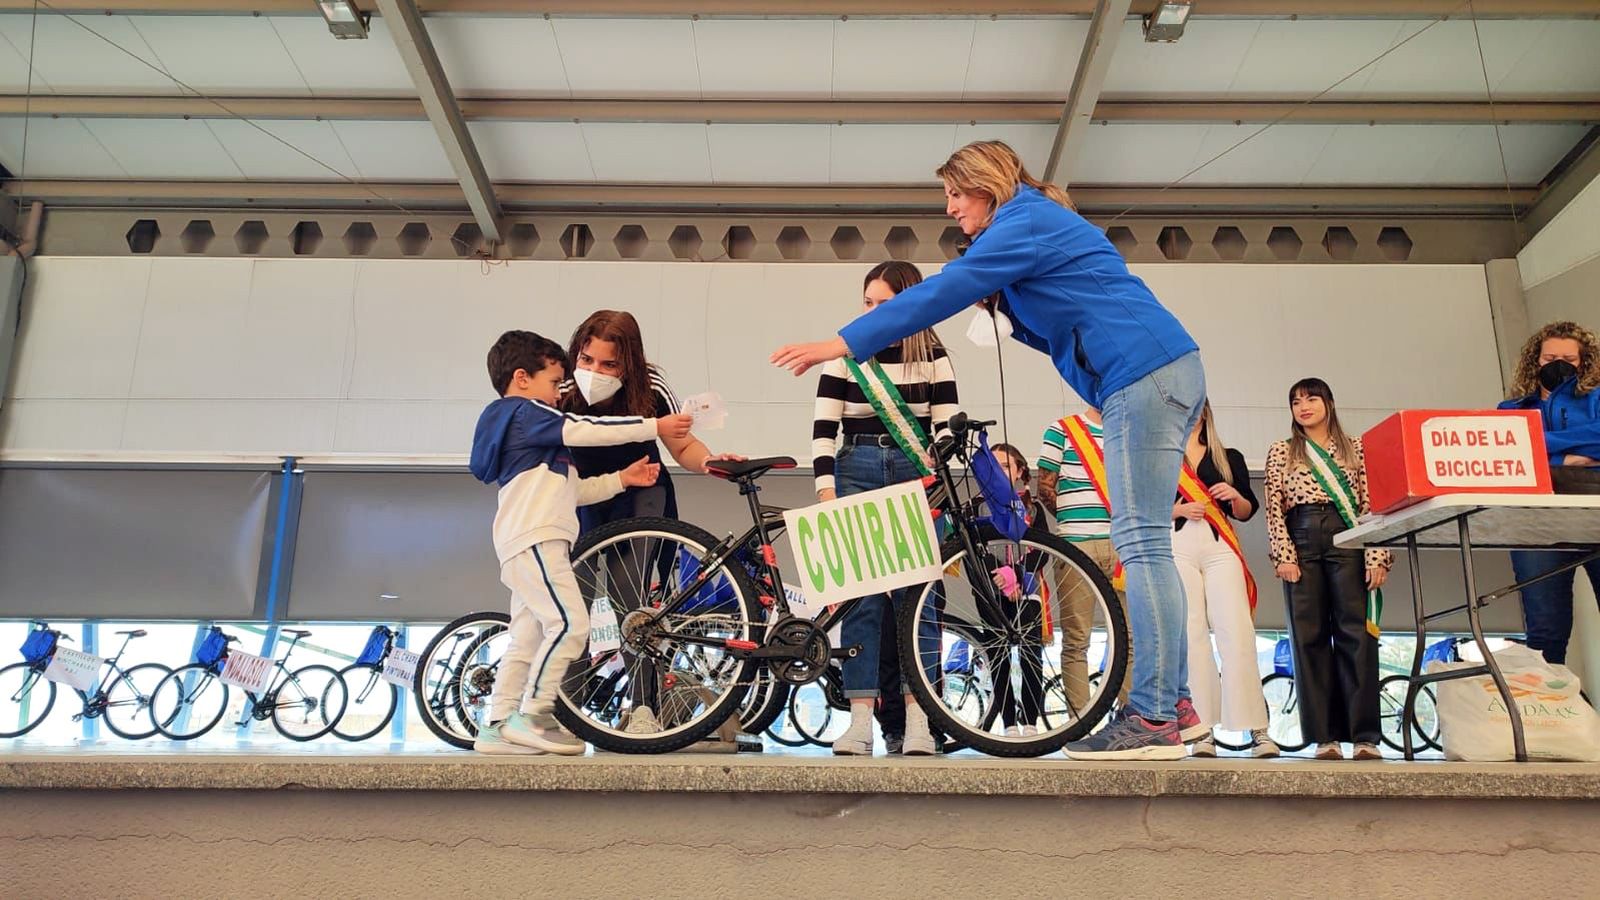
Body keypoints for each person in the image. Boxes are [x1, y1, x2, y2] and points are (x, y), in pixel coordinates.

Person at [772, 140, 1206, 760]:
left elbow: (934, 294)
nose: (950, 209)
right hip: (1157, 371)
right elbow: (1055, 327)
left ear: (984, 185)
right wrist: (1004, 305)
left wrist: (841, 343)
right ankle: (1177, 705)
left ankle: (1156, 718)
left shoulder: (1020, 218)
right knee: (1148, 544)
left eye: (954, 194)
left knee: (1139, 542)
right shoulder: (1034, 224)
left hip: (1141, 375)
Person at [467, 329, 692, 755]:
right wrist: (654, 425)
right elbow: (586, 427)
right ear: (521, 378)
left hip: (526, 542)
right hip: (537, 540)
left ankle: (497, 726)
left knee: (527, 636)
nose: (560, 392)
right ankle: (532, 716)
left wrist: (622, 480)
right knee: (571, 624)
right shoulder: (523, 412)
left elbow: (574, 491)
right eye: (554, 383)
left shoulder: (531, 434)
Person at [562, 310, 741, 736]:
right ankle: (565, 709)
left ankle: (644, 708)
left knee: (634, 604)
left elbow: (682, 442)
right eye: (587, 360)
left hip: (640, 494)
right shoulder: (565, 389)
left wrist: (712, 461)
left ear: (630, 363)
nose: (594, 372)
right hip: (585, 496)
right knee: (573, 603)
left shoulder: (652, 387)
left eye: (609, 365)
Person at [810, 260, 958, 756]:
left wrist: (939, 459)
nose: (873, 312)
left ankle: (920, 717)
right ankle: (859, 720)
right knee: (862, 601)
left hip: (914, 472)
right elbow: (823, 428)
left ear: (910, 305)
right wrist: (826, 489)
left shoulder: (934, 356)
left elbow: (944, 421)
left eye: (885, 303)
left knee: (920, 603)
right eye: (867, 302)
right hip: (856, 466)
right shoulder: (843, 355)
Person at [1264, 378, 1392, 761]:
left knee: (1358, 635)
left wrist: (1377, 556)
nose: (1303, 407)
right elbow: (1273, 508)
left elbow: (1373, 504)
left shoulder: (1355, 449)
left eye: (1311, 399)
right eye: (1296, 401)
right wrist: (1283, 555)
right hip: (1301, 539)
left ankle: (1365, 736)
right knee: (1309, 637)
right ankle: (1325, 738)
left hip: (1348, 535)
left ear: (1329, 403)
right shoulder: (1282, 451)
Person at [1172, 401, 1276, 758]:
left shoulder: (1227, 456)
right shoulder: (1161, 453)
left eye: (1194, 408)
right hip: (1177, 542)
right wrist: (1179, 508)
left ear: (1204, 413)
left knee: (1237, 632)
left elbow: (1247, 510)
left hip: (1221, 545)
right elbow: (1143, 506)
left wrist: (1234, 496)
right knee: (1192, 635)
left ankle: (1258, 730)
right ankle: (1202, 733)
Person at [1498, 321, 1600, 664]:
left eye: (1569, 358)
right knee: (1545, 635)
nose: (1559, 364)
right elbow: (1506, 452)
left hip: (1595, 514)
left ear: (1584, 361)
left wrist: (1541, 451)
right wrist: (1568, 457)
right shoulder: (1510, 410)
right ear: (1535, 361)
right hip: (1535, 524)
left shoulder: (1597, 398)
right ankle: (1549, 715)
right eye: (1550, 357)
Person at [1036, 408, 1132, 713]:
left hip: (1122, 545)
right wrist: (1070, 525)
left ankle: (1129, 716)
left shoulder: (1128, 429)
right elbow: (1045, 488)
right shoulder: (1062, 429)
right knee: (1077, 638)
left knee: (1130, 638)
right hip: (1076, 547)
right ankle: (1081, 719)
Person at [988, 442, 1047, 736]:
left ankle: (1031, 720)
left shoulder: (1032, 507)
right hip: (990, 593)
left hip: (1028, 592)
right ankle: (1008, 721)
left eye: (1006, 466)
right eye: (993, 466)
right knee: (998, 658)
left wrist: (1018, 575)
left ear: (1020, 471)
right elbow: (972, 549)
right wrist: (996, 576)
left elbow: (1045, 550)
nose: (999, 472)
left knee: (1029, 656)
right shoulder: (976, 505)